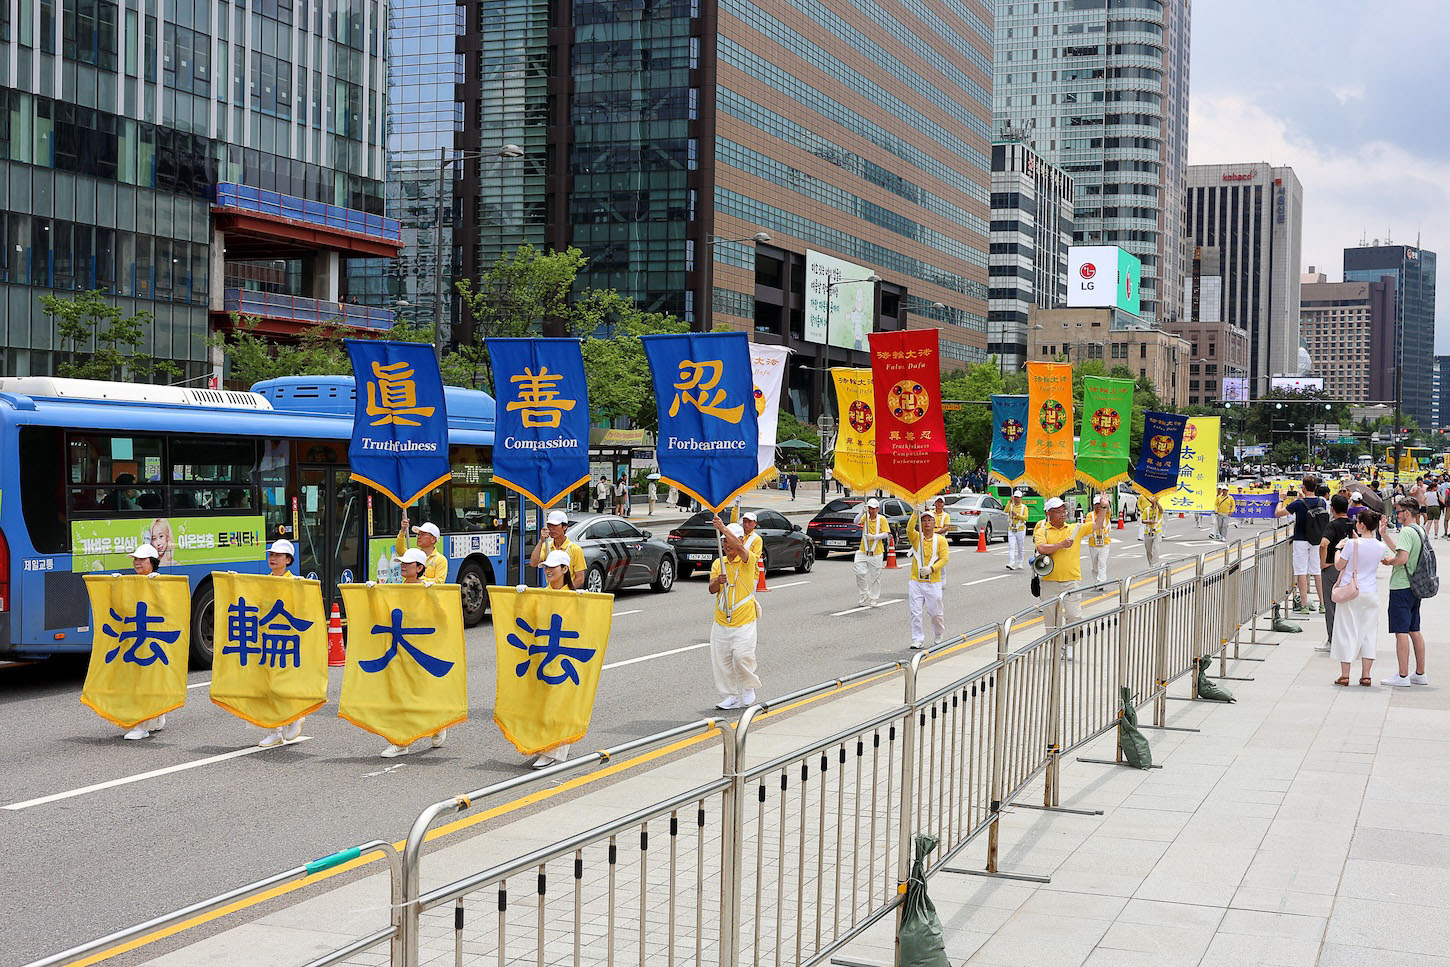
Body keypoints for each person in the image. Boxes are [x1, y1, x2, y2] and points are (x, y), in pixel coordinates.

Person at [380, 548, 450, 757]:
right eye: (402, 563)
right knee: (400, 694)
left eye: (408, 563)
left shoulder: (428, 589)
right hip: (400, 651)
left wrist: (433, 597)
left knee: (422, 692)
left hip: (422, 650)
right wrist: (372, 594)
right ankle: (400, 741)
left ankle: (437, 724)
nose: (403, 566)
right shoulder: (397, 588)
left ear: (420, 568)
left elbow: (444, 618)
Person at [529, 548, 584, 768]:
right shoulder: (542, 594)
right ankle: (548, 745)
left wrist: (583, 603)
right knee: (543, 703)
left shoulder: (574, 596)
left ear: (565, 569)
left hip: (565, 657)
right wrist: (521, 600)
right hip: (544, 655)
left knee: (559, 703)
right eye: (546, 568)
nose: (548, 571)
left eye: (553, 567)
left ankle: (554, 751)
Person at [1330, 509, 1389, 687]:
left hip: (1351, 592)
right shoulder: (1381, 546)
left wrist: (1338, 549)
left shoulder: (1351, 544)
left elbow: (1339, 565)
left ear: (1362, 525)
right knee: (1369, 633)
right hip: (1371, 592)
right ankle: (1366, 675)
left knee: (1346, 631)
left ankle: (1345, 675)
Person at [707, 518, 761, 710]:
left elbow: (739, 548)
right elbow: (711, 589)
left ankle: (747, 687)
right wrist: (718, 581)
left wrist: (722, 527)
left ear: (740, 540)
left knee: (741, 656)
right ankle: (730, 696)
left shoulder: (748, 559)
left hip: (744, 619)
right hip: (721, 620)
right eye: (724, 541)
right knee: (721, 661)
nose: (727, 544)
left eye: (730, 540)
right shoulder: (718, 563)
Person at [258, 539, 306, 749]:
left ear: (288, 560)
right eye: (271, 554)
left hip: (288, 641)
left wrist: (303, 588)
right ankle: (275, 730)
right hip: (267, 640)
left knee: (283, 683)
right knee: (267, 685)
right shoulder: (263, 581)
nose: (273, 558)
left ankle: (294, 714)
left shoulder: (295, 582)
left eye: (278, 555)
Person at [1380, 497, 1430, 687]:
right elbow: (1402, 550)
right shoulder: (1419, 530)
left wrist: (1389, 562)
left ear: (1407, 513)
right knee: (1414, 629)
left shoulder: (1407, 531)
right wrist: (1384, 535)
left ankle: (1402, 676)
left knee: (1400, 631)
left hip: (1402, 585)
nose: (1397, 514)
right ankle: (1420, 673)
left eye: (1398, 511)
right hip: (1415, 585)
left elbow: (1401, 558)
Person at [121, 543, 169, 740]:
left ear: (153, 562)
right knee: (140, 681)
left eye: (142, 559)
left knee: (147, 682)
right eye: (135, 559)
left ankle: (142, 726)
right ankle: (156, 718)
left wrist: (157, 585)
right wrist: (114, 586)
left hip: (153, 640)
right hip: (136, 640)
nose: (137, 562)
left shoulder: (160, 582)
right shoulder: (133, 582)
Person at [1034, 497, 1089, 640]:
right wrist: (1061, 545)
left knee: (1074, 616)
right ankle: (1056, 648)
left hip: (1071, 580)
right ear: (1049, 513)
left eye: (1064, 511)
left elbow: (1098, 524)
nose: (1063, 514)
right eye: (1058, 512)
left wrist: (1103, 507)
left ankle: (1070, 645)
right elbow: (1041, 548)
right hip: (1049, 582)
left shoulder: (1074, 528)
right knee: (1052, 622)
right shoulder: (1042, 531)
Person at [1274, 475, 1326, 614]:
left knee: (1301, 571)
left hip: (1301, 539)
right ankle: (1322, 604)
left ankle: (1304, 605)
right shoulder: (1322, 502)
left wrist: (1281, 500)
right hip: (1316, 539)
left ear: (1303, 487)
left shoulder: (1298, 504)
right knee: (1316, 570)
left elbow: (1278, 513)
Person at [905, 506, 950, 649]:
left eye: (929, 520)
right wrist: (915, 514)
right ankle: (917, 639)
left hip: (933, 582)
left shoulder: (940, 540)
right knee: (915, 612)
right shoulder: (917, 538)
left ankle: (938, 633)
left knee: (935, 613)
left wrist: (931, 569)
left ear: (934, 523)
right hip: (916, 581)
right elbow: (909, 530)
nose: (927, 523)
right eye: (923, 520)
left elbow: (945, 558)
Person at [1318, 495, 1355, 656]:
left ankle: (1332, 640)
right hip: (1349, 568)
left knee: (1331, 605)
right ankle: (1349, 638)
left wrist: (1323, 563)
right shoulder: (1353, 524)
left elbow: (1323, 544)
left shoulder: (1332, 525)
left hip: (1332, 567)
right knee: (1348, 605)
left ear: (1332, 508)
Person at [529, 509, 587, 589]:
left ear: (565, 527)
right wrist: (541, 541)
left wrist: (566, 592)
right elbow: (533, 563)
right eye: (549, 525)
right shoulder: (546, 546)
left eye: (555, 526)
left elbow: (580, 578)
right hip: (550, 592)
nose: (551, 529)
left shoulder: (575, 549)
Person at [852, 498, 891, 607]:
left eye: (873, 508)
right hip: (863, 550)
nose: (871, 510)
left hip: (876, 552)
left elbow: (886, 534)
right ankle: (864, 593)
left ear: (877, 509)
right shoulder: (865, 517)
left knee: (875, 577)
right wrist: (862, 512)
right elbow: (855, 521)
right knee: (859, 572)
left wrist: (874, 537)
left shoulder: (882, 519)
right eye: (869, 508)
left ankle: (874, 598)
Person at [396, 520, 448, 584]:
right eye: (418, 534)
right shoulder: (413, 554)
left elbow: (439, 581)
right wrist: (403, 531)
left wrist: (421, 580)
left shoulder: (441, 559)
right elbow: (399, 550)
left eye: (423, 534)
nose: (419, 537)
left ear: (433, 539)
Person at [1086, 493, 1112, 584]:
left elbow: (1108, 510)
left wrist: (1106, 504)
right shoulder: (1090, 515)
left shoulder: (1106, 513)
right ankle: (1096, 579)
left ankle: (1102, 582)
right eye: (1096, 505)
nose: (1098, 507)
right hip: (1093, 543)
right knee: (1095, 565)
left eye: (1100, 505)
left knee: (1102, 563)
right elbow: (1091, 526)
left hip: (1105, 543)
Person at [1005, 490, 1029, 570]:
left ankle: (1020, 562)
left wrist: (1017, 515)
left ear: (1021, 498)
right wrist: (1009, 502)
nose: (1016, 499)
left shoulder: (1024, 507)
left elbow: (1026, 518)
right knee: (1011, 546)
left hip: (1020, 529)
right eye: (1015, 497)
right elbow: (1005, 511)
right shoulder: (1011, 506)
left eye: (1018, 497)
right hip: (1011, 529)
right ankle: (1011, 562)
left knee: (1020, 547)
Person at [1141, 494, 1164, 567]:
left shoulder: (1158, 509)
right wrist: (1149, 521)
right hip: (1148, 532)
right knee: (1148, 550)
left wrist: (1157, 503)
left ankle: (1154, 565)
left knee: (1156, 549)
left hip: (1157, 532)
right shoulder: (1147, 510)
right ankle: (1150, 564)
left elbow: (1161, 510)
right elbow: (1143, 520)